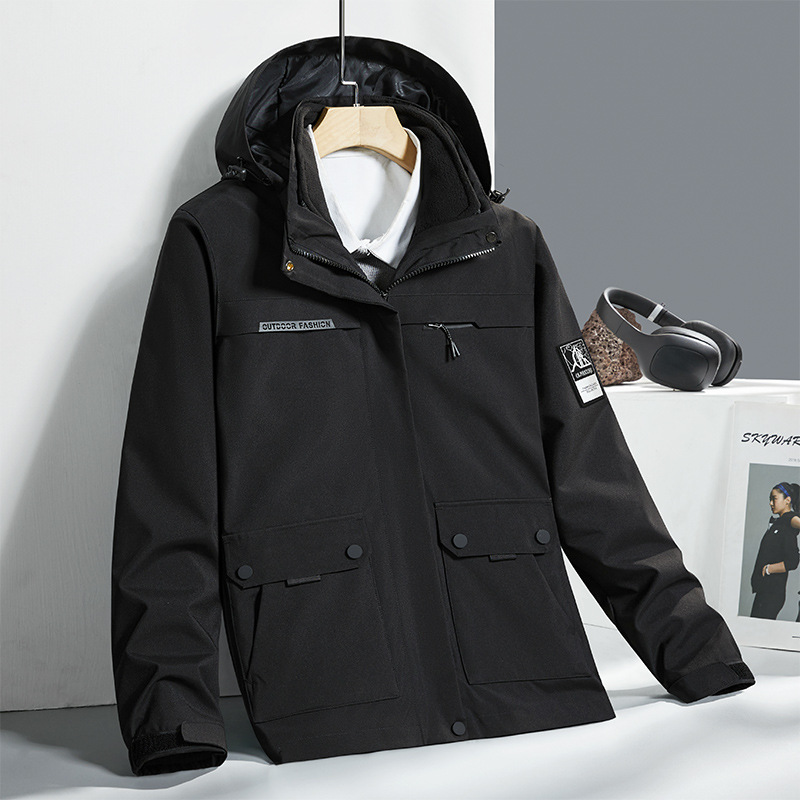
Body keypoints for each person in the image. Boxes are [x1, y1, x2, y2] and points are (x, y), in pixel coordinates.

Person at [749, 482, 800, 619]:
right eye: (770, 500)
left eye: (774, 499)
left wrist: (769, 569)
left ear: (787, 500)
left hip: (772, 592)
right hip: (764, 589)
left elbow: (793, 562)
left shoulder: (788, 519)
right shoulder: (779, 523)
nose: (771, 503)